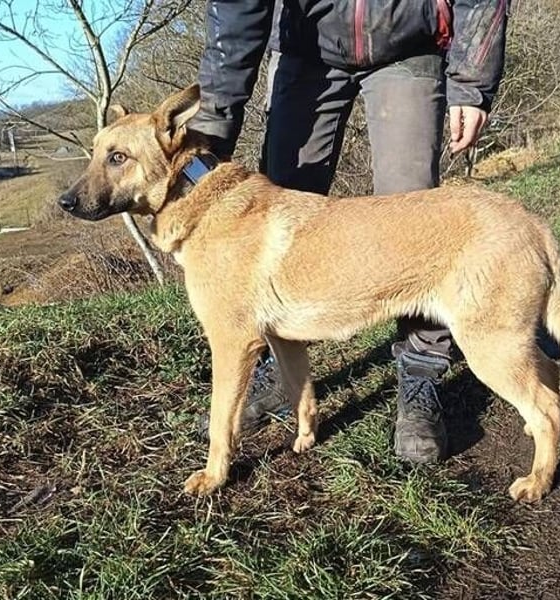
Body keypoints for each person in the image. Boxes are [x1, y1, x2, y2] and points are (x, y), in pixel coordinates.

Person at [189, 0, 509, 463]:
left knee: (417, 228)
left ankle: (421, 372)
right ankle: (281, 376)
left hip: (409, 41)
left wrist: (471, 84)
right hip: (308, 49)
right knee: (276, 221)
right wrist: (214, 117)